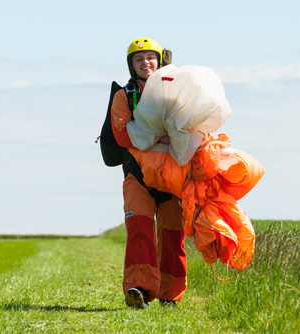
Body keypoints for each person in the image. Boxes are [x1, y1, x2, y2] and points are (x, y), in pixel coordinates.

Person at [110, 38, 186, 309]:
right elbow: (121, 135)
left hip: (172, 179)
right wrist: (162, 138)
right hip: (138, 177)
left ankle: (170, 295)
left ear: (159, 60)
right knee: (139, 230)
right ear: (131, 65)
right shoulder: (124, 96)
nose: (145, 63)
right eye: (138, 59)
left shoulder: (177, 92)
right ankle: (139, 289)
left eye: (150, 57)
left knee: (172, 236)